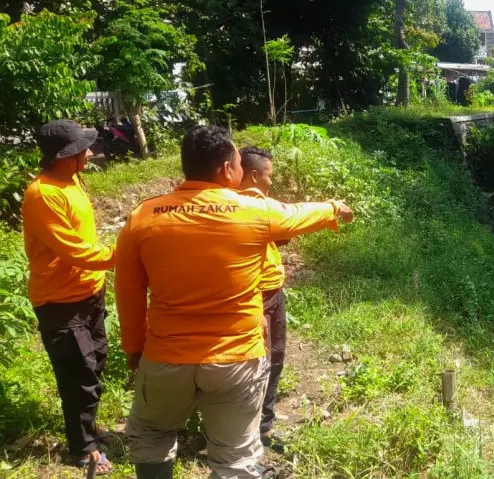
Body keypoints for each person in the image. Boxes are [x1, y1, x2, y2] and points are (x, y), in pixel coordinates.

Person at [115, 126, 353, 479]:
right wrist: (335, 207)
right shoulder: (253, 212)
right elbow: (299, 213)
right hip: (236, 358)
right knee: (236, 456)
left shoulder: (144, 216)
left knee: (152, 437)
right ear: (228, 169)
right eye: (239, 163)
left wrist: (135, 347)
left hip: (165, 356)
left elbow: (128, 291)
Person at [21, 120, 116, 475]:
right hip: (60, 301)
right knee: (79, 372)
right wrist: (127, 252)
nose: (89, 153)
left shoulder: (72, 180)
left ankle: (88, 427)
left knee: (96, 363)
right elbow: (75, 251)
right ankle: (83, 447)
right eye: (83, 149)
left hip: (89, 291)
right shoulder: (44, 194)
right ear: (65, 156)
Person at [237, 147, 288, 447]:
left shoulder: (262, 205)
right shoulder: (239, 208)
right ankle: (245, 432)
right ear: (254, 175)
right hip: (253, 296)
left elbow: (283, 235)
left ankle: (264, 425)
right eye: (269, 175)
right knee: (255, 364)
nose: (272, 180)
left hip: (274, 290)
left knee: (275, 357)